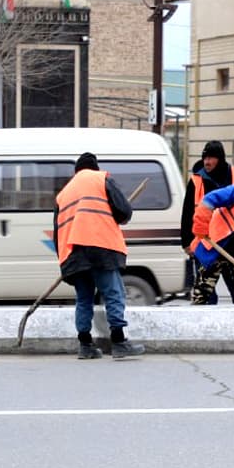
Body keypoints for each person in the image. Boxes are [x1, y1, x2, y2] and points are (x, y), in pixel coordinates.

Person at [55, 152, 144, 360]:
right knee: (113, 292)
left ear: (77, 171)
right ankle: (119, 341)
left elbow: (58, 230)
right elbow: (124, 211)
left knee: (84, 298)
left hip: (73, 252)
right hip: (99, 246)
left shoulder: (64, 193)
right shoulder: (101, 179)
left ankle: (85, 345)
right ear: (94, 168)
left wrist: (65, 261)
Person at [180, 141, 234, 300]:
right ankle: (206, 324)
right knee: (205, 295)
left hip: (233, 245)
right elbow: (187, 213)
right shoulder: (197, 181)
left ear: (221, 159)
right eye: (205, 158)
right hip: (206, 245)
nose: (207, 162)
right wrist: (186, 242)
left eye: (211, 158)